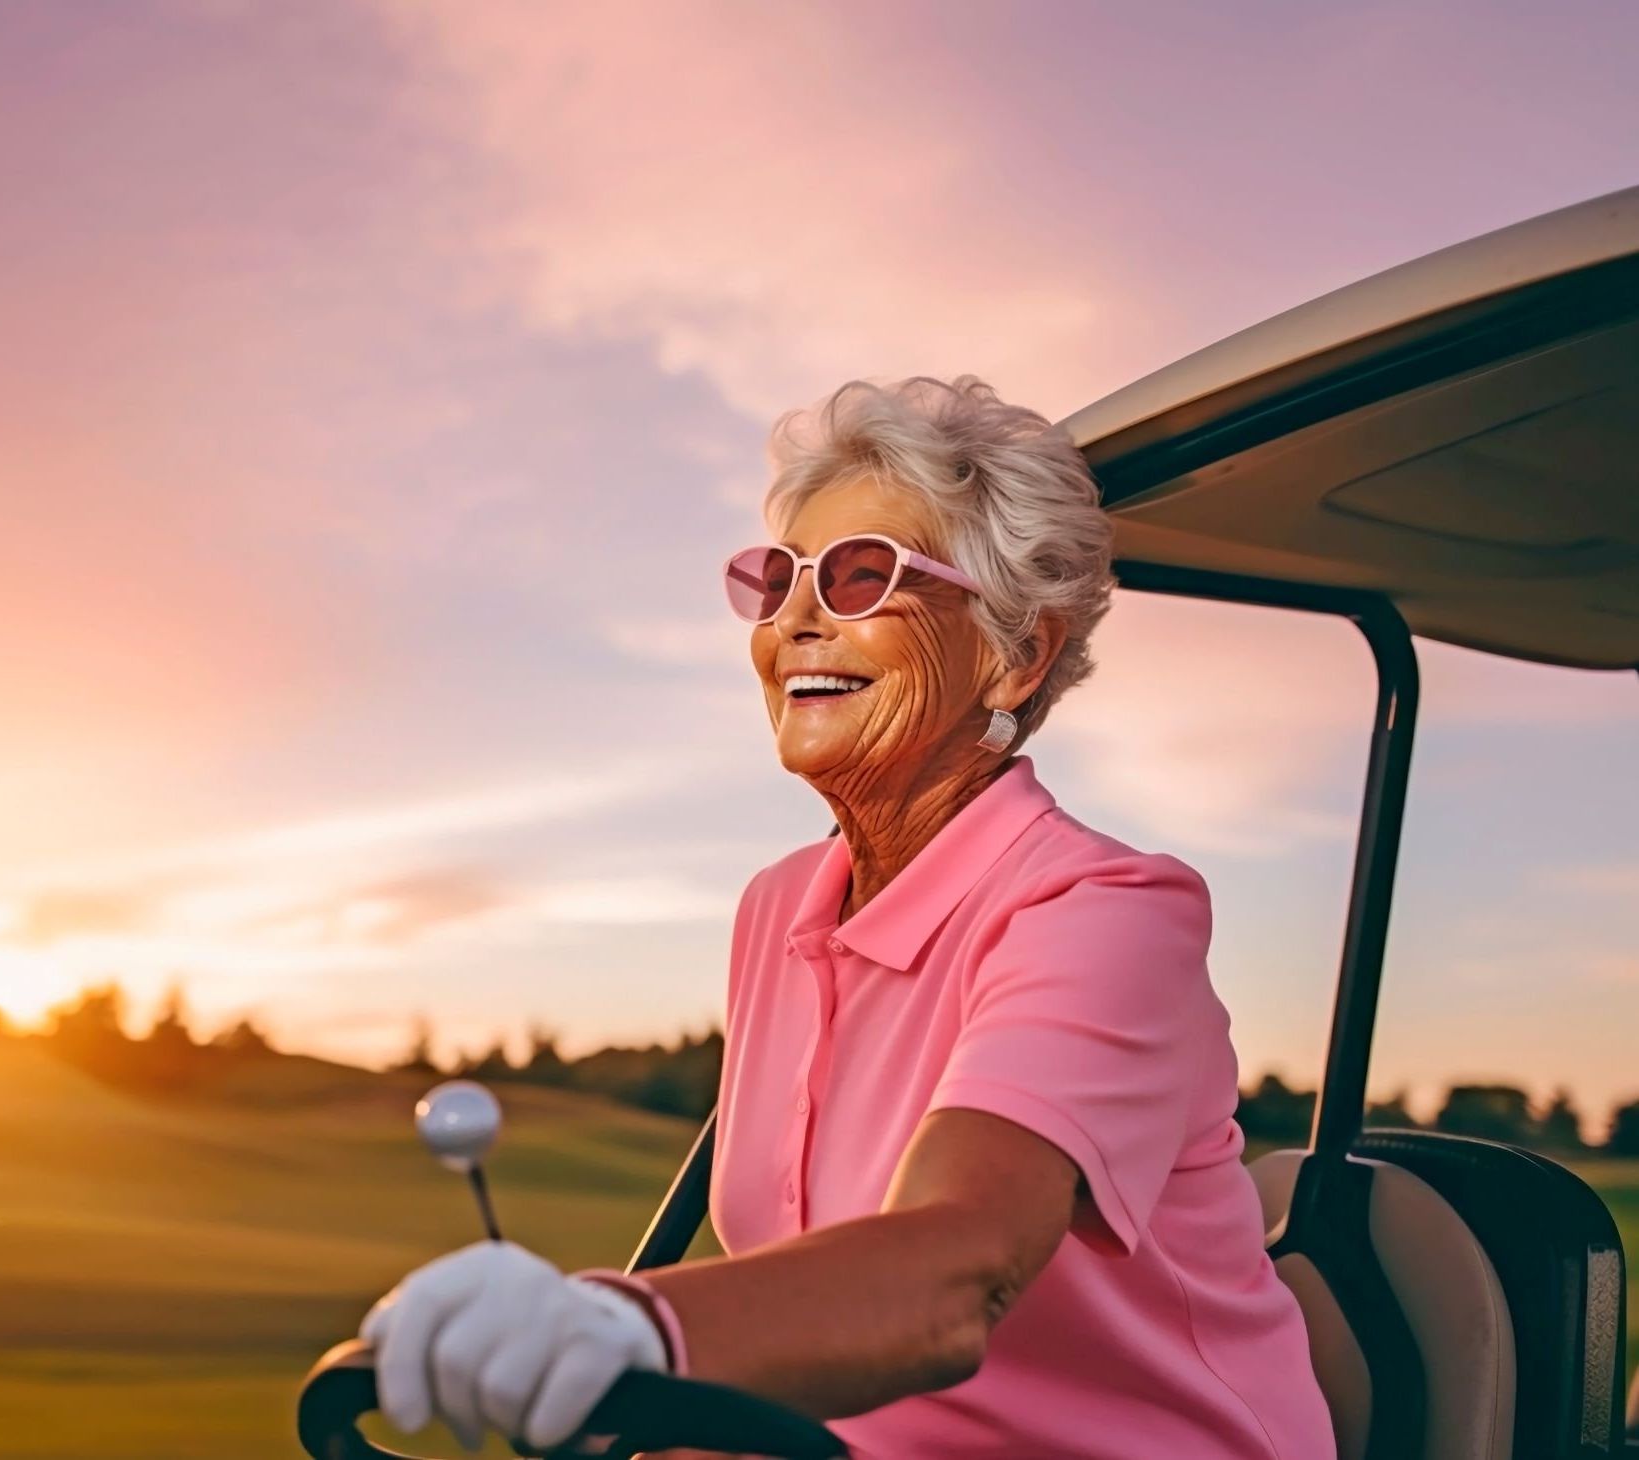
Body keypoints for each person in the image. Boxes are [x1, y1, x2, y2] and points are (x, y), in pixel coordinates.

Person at [357, 376, 1335, 1458]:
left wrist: (625, 1324)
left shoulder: (1105, 912)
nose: (797, 617)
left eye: (863, 576)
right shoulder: (778, 904)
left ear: (1018, 650)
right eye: (777, 580)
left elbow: (954, 1270)